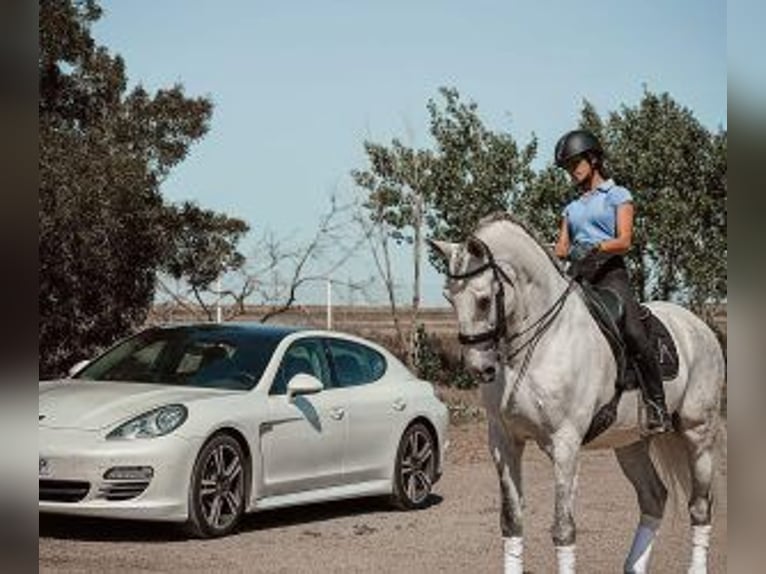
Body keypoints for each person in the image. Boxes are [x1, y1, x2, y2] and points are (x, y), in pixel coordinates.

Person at [552, 129, 672, 434]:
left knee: (633, 330)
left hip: (610, 274)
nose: (571, 171)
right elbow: (561, 249)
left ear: (593, 159)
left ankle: (657, 404)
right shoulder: (572, 207)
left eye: (574, 164)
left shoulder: (618, 195)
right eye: (567, 167)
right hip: (579, 276)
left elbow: (625, 241)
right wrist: (551, 253)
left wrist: (594, 246)